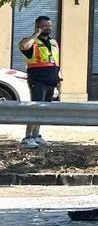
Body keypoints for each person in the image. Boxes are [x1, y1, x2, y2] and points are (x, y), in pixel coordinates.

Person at [18, 16, 61, 149]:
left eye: (49, 26)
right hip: (38, 79)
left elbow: (55, 62)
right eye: (44, 26)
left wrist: (59, 80)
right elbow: (24, 46)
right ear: (38, 26)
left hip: (51, 79)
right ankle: (27, 137)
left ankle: (36, 135)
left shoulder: (53, 42)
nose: (48, 28)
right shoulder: (31, 41)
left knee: (43, 109)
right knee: (35, 108)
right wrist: (36, 34)